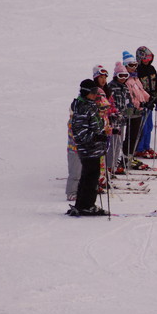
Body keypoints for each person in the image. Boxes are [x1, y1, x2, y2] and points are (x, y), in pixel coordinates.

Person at [66, 79, 110, 216]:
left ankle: (84, 204)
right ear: (86, 93)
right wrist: (97, 137)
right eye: (93, 92)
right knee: (90, 177)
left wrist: (104, 133)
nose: (95, 95)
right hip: (88, 148)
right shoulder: (82, 107)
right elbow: (80, 133)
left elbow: (94, 126)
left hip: (94, 148)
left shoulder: (89, 105)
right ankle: (86, 205)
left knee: (89, 176)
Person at [121, 51, 150, 166]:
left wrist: (150, 99)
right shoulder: (126, 80)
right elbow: (130, 97)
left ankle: (130, 156)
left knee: (137, 135)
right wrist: (140, 104)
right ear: (125, 66)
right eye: (130, 65)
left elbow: (141, 92)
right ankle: (126, 158)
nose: (133, 68)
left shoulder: (135, 78)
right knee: (130, 136)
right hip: (131, 113)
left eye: (135, 65)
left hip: (138, 112)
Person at [135, 46, 157, 158]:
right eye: (145, 59)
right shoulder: (137, 71)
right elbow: (137, 88)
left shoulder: (152, 69)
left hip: (151, 101)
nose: (147, 61)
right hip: (142, 103)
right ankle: (139, 148)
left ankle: (146, 146)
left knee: (150, 126)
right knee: (143, 126)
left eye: (149, 58)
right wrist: (145, 100)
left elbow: (156, 83)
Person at [107, 62, 134, 173]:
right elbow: (109, 104)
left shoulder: (125, 87)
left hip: (121, 120)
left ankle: (113, 165)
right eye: (120, 76)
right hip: (114, 120)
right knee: (114, 143)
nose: (123, 78)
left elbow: (128, 100)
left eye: (125, 76)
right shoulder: (111, 87)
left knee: (119, 143)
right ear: (115, 76)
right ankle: (109, 166)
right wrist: (113, 114)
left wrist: (130, 109)